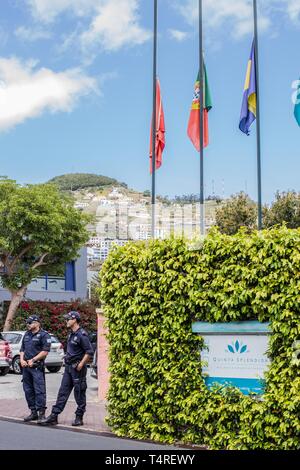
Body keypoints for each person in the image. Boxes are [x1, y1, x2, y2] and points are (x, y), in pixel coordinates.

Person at [41, 311, 94, 426]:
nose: (66, 321)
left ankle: (79, 417)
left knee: (79, 393)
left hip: (77, 369)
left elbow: (89, 351)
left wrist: (81, 364)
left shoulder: (82, 335)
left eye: (68, 319)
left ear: (75, 320)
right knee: (62, 392)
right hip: (68, 368)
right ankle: (54, 416)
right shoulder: (71, 334)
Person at [20, 315, 51, 424]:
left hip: (37, 367)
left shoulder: (44, 335)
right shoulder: (27, 334)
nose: (28, 325)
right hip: (26, 368)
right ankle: (33, 412)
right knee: (28, 390)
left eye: (30, 323)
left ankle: (41, 414)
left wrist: (33, 359)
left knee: (39, 391)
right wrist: (22, 360)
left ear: (37, 323)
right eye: (27, 323)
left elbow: (45, 351)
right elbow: (22, 349)